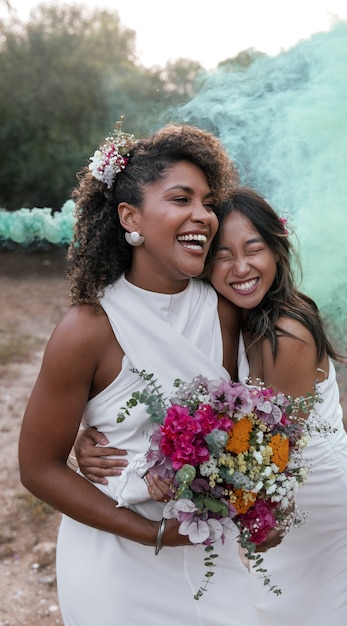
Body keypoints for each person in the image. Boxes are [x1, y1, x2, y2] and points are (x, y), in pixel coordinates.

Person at [76, 187, 347, 626]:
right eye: (222, 255)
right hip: (276, 519)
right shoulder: (225, 318)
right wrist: (92, 434)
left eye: (254, 249)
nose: (240, 268)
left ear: (277, 251)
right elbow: (175, 397)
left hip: (326, 517)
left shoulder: (288, 334)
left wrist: (158, 472)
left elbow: (272, 455)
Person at [18, 125, 268, 626]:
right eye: (181, 198)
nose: (203, 215)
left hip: (205, 553)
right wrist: (147, 532)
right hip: (115, 563)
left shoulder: (224, 311)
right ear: (130, 218)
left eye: (207, 201)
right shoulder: (87, 329)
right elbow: (38, 468)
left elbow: (251, 424)